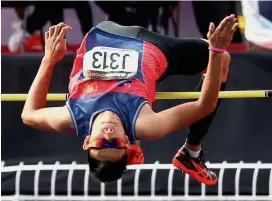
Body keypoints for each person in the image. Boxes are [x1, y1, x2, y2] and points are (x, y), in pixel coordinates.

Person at [21, 15, 238, 185]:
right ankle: (191, 152)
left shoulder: (72, 118)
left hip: (106, 32)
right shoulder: (144, 124)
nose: (108, 135)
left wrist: (49, 60)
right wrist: (216, 51)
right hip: (158, 48)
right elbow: (204, 105)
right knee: (222, 61)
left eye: (101, 143)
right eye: (115, 143)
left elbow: (29, 115)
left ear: (87, 142)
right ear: (126, 143)